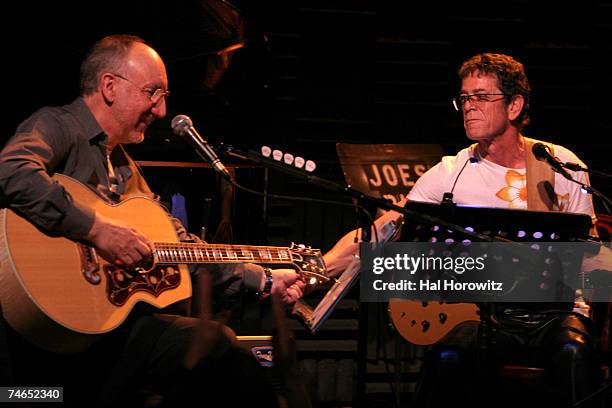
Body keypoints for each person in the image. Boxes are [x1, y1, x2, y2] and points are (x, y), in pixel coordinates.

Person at [0, 34, 304, 406]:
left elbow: (180, 248)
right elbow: (12, 170)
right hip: (50, 352)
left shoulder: (128, 170)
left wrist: (263, 277)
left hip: (113, 336)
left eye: (164, 97)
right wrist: (94, 229)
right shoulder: (58, 125)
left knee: (221, 360)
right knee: (218, 350)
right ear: (109, 86)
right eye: (152, 92)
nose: (160, 110)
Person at [323, 53, 603, 407]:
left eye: (482, 97)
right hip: (486, 317)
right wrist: (319, 268)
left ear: (515, 105)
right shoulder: (450, 173)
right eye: (465, 97)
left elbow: (592, 255)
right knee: (447, 358)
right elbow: (382, 230)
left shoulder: (562, 165)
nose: (469, 106)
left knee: (575, 352)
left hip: (555, 317)